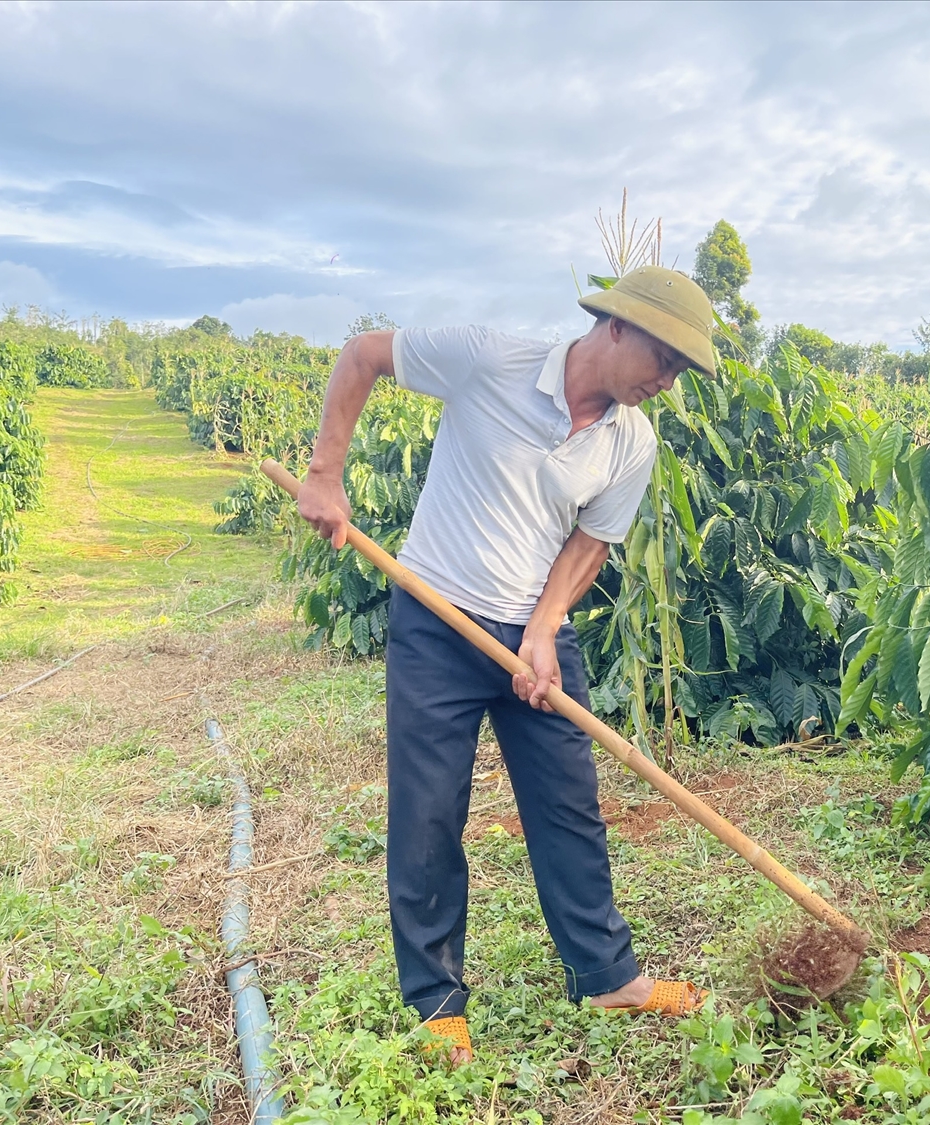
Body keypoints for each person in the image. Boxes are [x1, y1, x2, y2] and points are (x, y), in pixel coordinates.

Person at [296, 267, 717, 1065]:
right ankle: (437, 1000)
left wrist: (547, 626)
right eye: (664, 360)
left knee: (569, 803)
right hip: (436, 618)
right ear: (617, 326)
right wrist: (326, 473)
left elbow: (590, 541)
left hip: (533, 638)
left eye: (679, 372)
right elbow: (362, 356)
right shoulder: (491, 360)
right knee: (426, 811)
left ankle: (604, 974)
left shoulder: (633, 442)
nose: (666, 382)